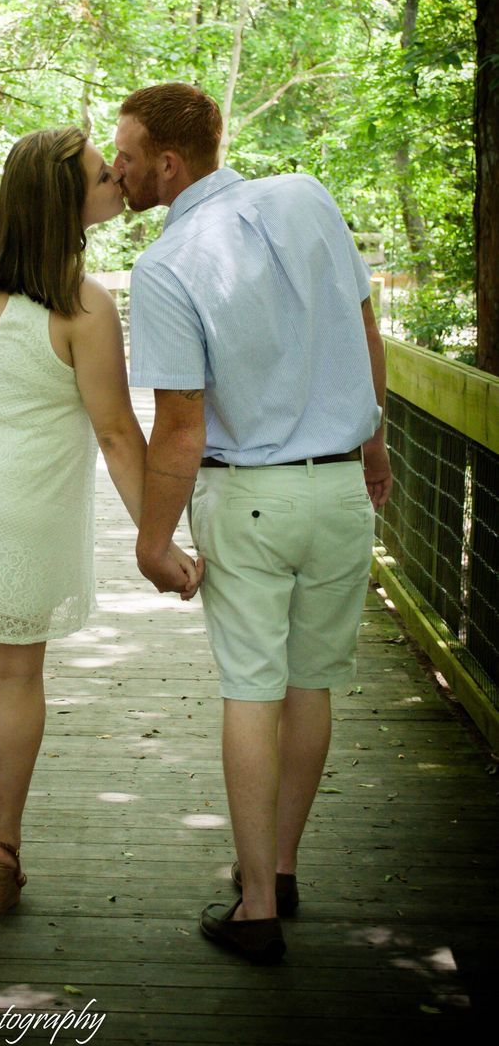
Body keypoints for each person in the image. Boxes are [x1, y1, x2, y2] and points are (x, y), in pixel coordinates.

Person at [0, 125, 201, 929]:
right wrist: (155, 539)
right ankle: (1, 851)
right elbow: (118, 434)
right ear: (66, 197)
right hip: (20, 510)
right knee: (15, 677)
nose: (116, 184)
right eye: (102, 176)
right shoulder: (83, 303)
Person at [113, 83, 392, 964]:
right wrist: (373, 443)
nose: (114, 171)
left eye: (124, 156)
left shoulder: (164, 267)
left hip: (250, 499)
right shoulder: (307, 197)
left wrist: (152, 542)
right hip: (340, 489)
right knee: (310, 683)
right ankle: (281, 865)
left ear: (169, 162)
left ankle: (257, 909)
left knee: (251, 687)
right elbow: (362, 326)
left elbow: (181, 425)